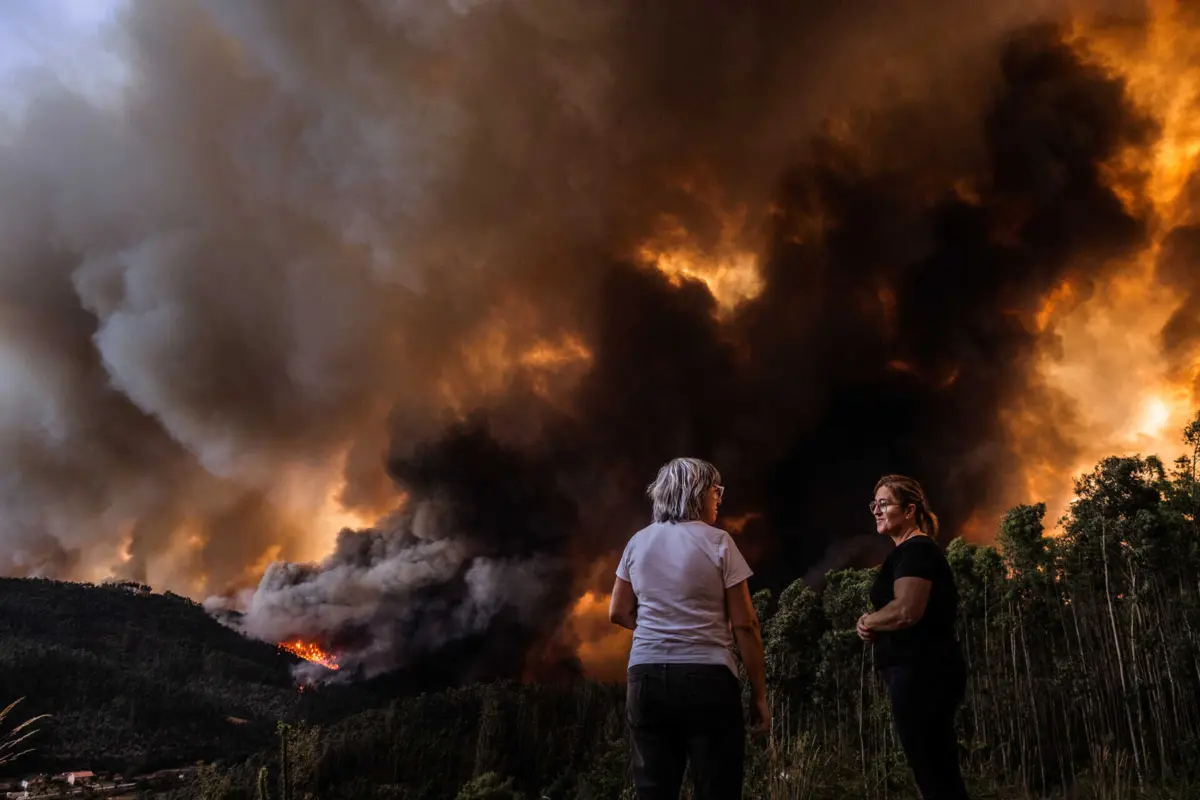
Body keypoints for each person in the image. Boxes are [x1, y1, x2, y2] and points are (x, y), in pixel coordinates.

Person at [609, 457, 768, 800]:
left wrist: (659, 629)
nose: (719, 498)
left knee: (653, 791)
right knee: (716, 788)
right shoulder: (719, 542)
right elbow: (745, 623)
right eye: (715, 490)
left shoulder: (638, 542)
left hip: (646, 678)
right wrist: (759, 695)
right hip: (707, 678)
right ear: (695, 493)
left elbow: (618, 611)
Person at [856, 475, 969, 800]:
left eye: (884, 504)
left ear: (909, 510)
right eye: (873, 504)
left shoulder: (917, 551)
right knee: (931, 772)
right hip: (916, 675)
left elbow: (907, 610)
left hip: (923, 675)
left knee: (935, 774)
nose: (876, 511)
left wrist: (867, 620)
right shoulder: (906, 553)